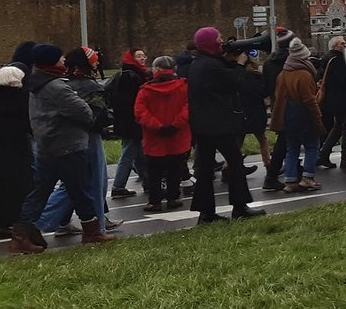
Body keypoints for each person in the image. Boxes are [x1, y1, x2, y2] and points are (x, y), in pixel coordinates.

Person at [11, 44, 112, 254]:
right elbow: (84, 112)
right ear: (51, 62)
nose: (63, 61)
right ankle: (91, 231)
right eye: (59, 58)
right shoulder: (56, 87)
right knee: (80, 190)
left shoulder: (35, 83)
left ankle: (22, 233)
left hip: (47, 145)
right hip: (67, 145)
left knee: (45, 191)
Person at [36, 48, 116, 239]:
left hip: (62, 138)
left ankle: (57, 222)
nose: (96, 64)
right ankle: (97, 227)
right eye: (94, 61)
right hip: (89, 139)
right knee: (92, 183)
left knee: (72, 184)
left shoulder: (61, 84)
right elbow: (96, 117)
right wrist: (109, 117)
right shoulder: (91, 87)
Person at [187, 27, 265, 223]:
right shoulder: (210, 66)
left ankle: (206, 213)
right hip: (219, 124)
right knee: (236, 165)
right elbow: (234, 82)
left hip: (202, 125)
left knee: (204, 171)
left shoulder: (199, 63)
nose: (221, 42)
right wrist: (240, 64)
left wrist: (228, 59)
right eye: (219, 39)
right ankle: (239, 207)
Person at [0, 66, 32, 240]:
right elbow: (28, 123)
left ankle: (0, 223)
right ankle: (20, 222)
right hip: (16, 148)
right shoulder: (19, 99)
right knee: (20, 187)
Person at [135, 56, 191, 211]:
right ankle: (173, 197)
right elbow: (188, 109)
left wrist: (158, 126)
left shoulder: (146, 90)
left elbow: (140, 113)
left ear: (156, 70)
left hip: (154, 138)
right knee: (175, 169)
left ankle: (155, 200)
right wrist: (175, 125)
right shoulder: (184, 87)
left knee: (154, 172)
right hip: (178, 136)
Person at [272, 38, 326, 192]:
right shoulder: (304, 74)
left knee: (292, 148)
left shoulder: (283, 74)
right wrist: (318, 118)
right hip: (303, 115)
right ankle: (307, 178)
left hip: (287, 116)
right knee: (311, 146)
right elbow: (309, 100)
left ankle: (290, 181)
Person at [109, 48, 150, 199]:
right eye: (138, 56)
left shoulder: (127, 74)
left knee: (138, 152)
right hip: (131, 121)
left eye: (143, 55)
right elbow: (131, 101)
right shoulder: (132, 76)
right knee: (129, 152)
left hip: (127, 120)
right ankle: (118, 186)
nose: (142, 58)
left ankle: (148, 182)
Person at [318, 36, 346, 170]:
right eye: (343, 44)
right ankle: (345, 157)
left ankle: (324, 153)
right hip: (342, 99)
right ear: (336, 46)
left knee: (338, 127)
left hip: (334, 99)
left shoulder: (328, 58)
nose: (345, 45)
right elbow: (343, 80)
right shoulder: (337, 60)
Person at [262, 28, 295, 191]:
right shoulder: (291, 61)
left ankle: (293, 168)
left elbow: (266, 86)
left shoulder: (268, 62)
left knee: (287, 139)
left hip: (277, 105)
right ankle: (272, 176)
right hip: (292, 104)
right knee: (286, 141)